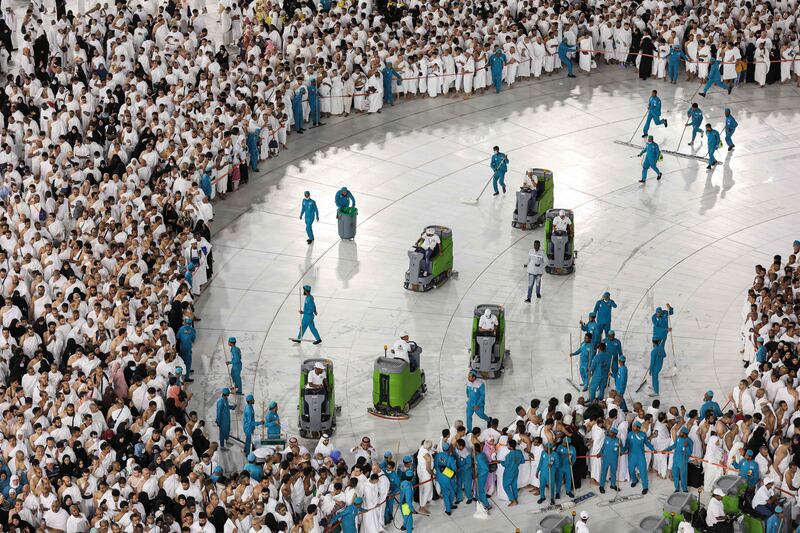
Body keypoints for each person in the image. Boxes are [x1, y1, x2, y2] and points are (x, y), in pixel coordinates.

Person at [625, 420, 655, 494]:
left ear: (638, 428)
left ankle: (645, 487)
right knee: (631, 471)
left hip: (640, 456)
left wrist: (653, 449)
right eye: (633, 426)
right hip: (632, 456)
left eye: (635, 427)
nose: (633, 428)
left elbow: (647, 443)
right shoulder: (629, 434)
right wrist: (622, 450)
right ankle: (635, 480)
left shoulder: (643, 434)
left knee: (643, 472)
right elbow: (626, 445)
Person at [665, 426, 693, 492]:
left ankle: (685, 489)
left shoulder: (689, 441)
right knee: (675, 474)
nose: (679, 432)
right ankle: (677, 488)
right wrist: (667, 449)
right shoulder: (678, 438)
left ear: (685, 434)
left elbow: (690, 453)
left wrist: (686, 447)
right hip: (676, 459)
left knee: (683, 475)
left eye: (681, 432)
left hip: (683, 460)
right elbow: (674, 445)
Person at [434, 444, 457, 515]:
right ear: (449, 449)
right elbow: (454, 469)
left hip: (440, 477)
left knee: (449, 492)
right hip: (448, 477)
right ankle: (448, 510)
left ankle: (450, 505)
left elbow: (435, 466)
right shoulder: (450, 458)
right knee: (448, 493)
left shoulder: (437, 455)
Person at [501, 439, 525, 506]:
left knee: (505, 486)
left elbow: (505, 465)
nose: (507, 445)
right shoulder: (519, 452)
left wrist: (501, 462)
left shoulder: (509, 455)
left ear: (511, 447)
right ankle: (515, 498)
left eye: (508, 444)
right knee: (514, 485)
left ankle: (513, 500)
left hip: (509, 472)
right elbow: (523, 461)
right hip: (516, 470)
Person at [598, 426, 621, 494]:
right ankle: (601, 486)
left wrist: (620, 447)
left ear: (614, 434)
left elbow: (621, 452)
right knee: (603, 473)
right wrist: (600, 453)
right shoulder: (607, 438)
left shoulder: (618, 441)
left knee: (613, 473)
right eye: (610, 432)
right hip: (605, 459)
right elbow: (603, 447)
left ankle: (613, 485)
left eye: (611, 432)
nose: (610, 433)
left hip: (614, 460)